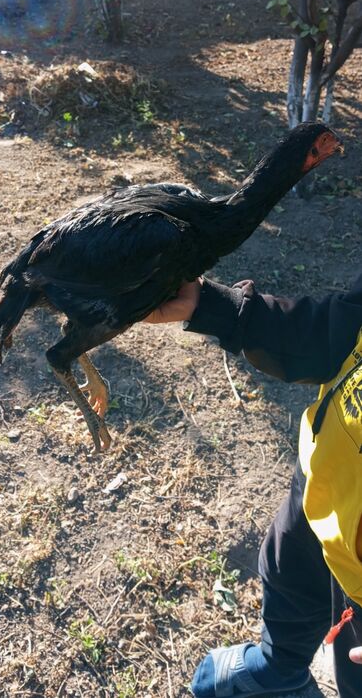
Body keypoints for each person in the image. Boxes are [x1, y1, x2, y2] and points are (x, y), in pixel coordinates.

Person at [143, 273, 362, 698]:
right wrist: (216, 308)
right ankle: (278, 667)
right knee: (287, 583)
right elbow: (336, 331)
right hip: (324, 482)